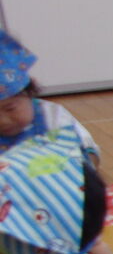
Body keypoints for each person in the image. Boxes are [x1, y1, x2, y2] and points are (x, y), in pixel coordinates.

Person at [0, 30, 101, 164]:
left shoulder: (52, 116)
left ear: (29, 93)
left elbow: (87, 151)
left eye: (10, 109)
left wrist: (82, 167)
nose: (3, 121)